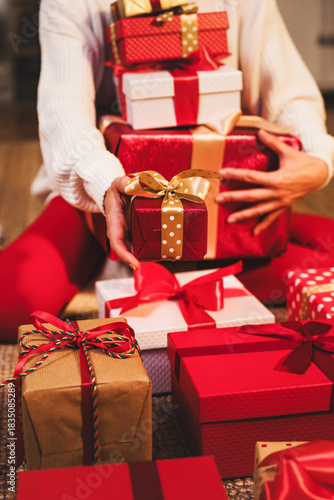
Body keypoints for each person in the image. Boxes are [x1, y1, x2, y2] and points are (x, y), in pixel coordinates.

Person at [0, 0, 333, 342]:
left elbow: (290, 93)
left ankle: (172, 276)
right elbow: (64, 116)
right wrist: (104, 182)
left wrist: (318, 161)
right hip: (100, 198)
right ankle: (172, 275)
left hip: (225, 199)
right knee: (12, 306)